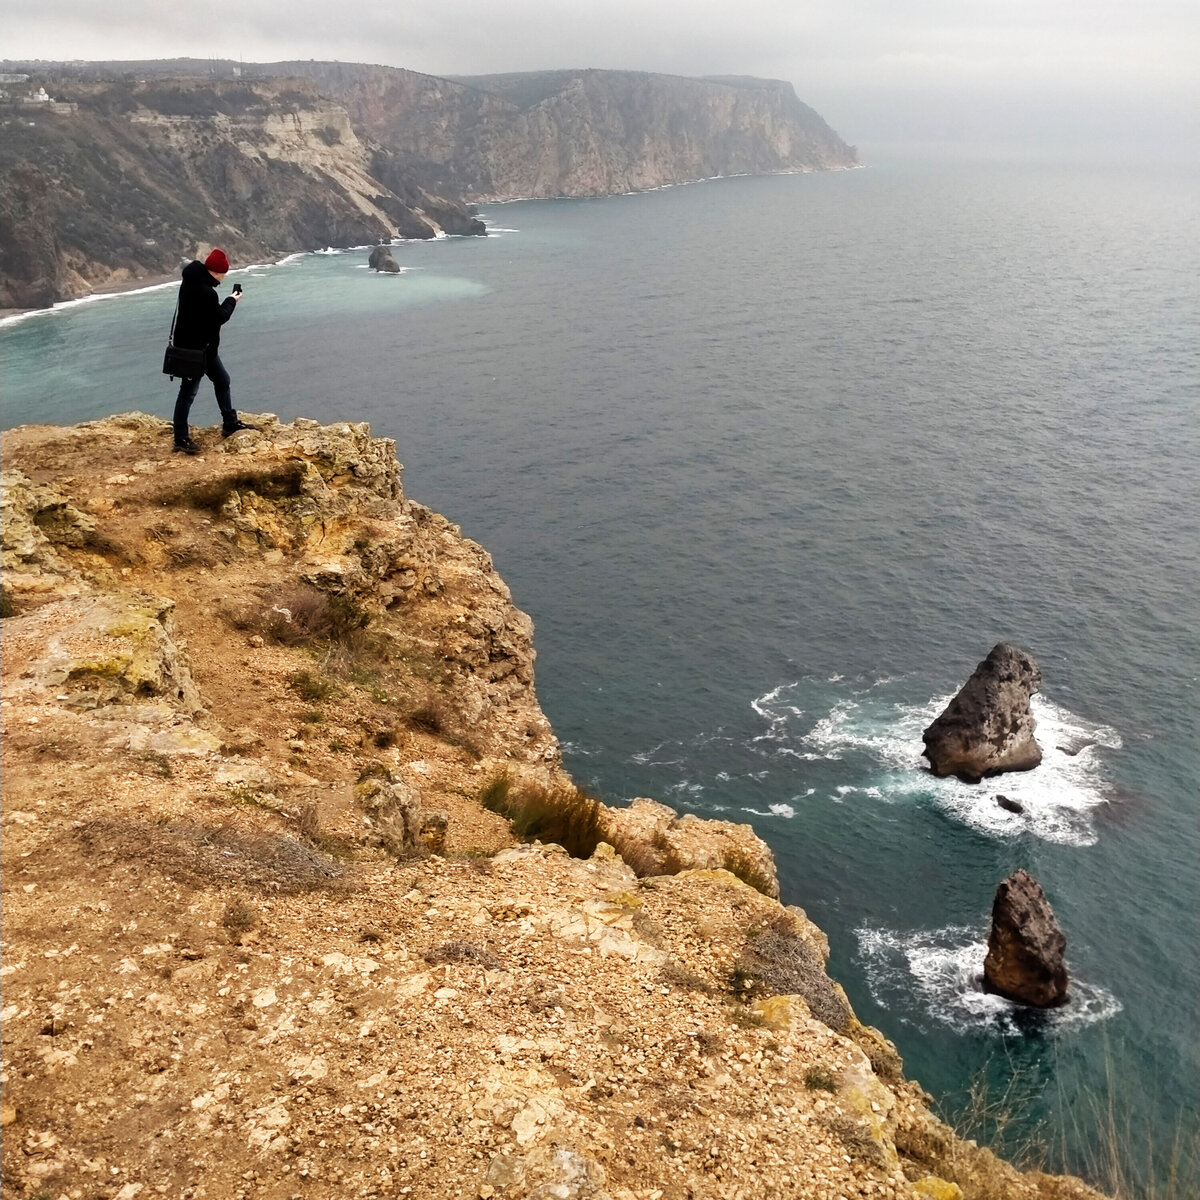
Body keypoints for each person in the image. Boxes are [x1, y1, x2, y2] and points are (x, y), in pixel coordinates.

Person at [170, 248, 254, 453]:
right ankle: (181, 438)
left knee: (222, 380)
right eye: (224, 272)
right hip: (195, 352)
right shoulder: (206, 292)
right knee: (188, 393)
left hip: (205, 350)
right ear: (217, 272)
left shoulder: (191, 280)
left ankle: (229, 423)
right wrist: (232, 300)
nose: (225, 276)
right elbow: (219, 317)